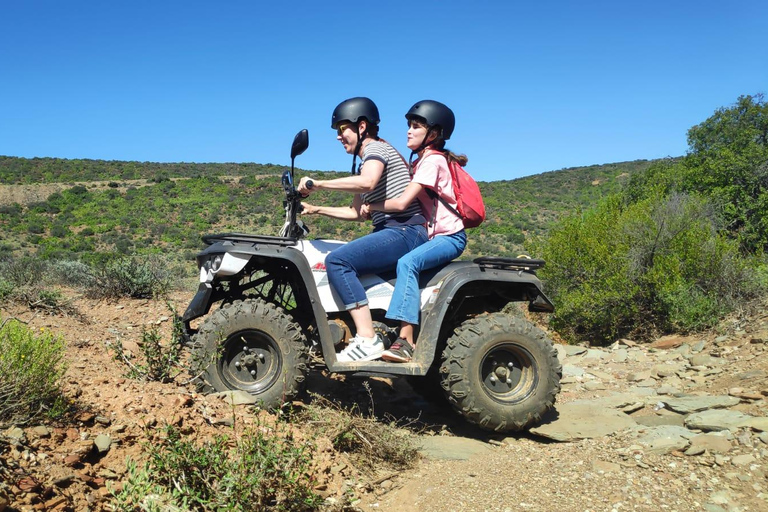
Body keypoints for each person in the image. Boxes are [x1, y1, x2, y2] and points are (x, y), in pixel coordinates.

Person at [298, 97, 427, 362]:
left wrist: (318, 183)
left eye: (342, 128)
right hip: (392, 230)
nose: (338, 136)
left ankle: (367, 338)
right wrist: (315, 209)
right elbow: (356, 213)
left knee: (338, 261)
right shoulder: (366, 157)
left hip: (405, 230)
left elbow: (368, 183)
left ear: (362, 126)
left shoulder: (375, 149)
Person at [364, 100, 467, 363]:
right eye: (409, 126)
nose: (409, 131)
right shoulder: (420, 162)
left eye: (416, 126)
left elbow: (400, 203)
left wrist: (370, 204)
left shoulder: (432, 162)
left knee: (407, 262)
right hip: (434, 237)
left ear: (433, 134)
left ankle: (406, 339)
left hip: (449, 237)